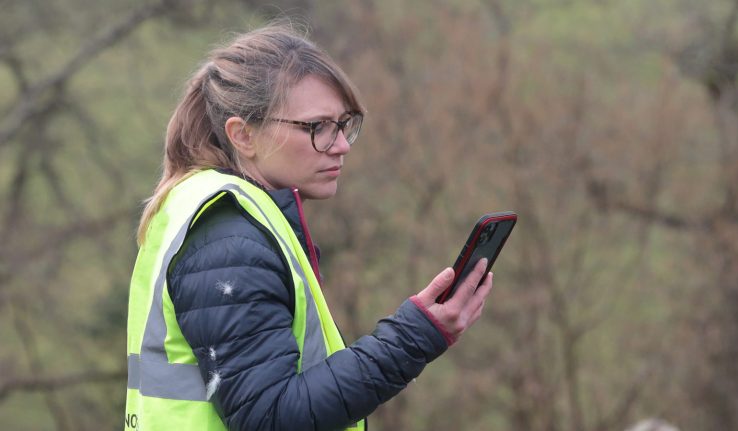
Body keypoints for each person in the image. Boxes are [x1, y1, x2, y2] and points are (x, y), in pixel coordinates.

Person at [125, 21, 493, 431]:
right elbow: (272, 417)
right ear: (243, 135)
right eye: (317, 127)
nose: (341, 145)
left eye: (344, 123)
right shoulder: (228, 240)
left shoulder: (226, 215)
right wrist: (413, 337)